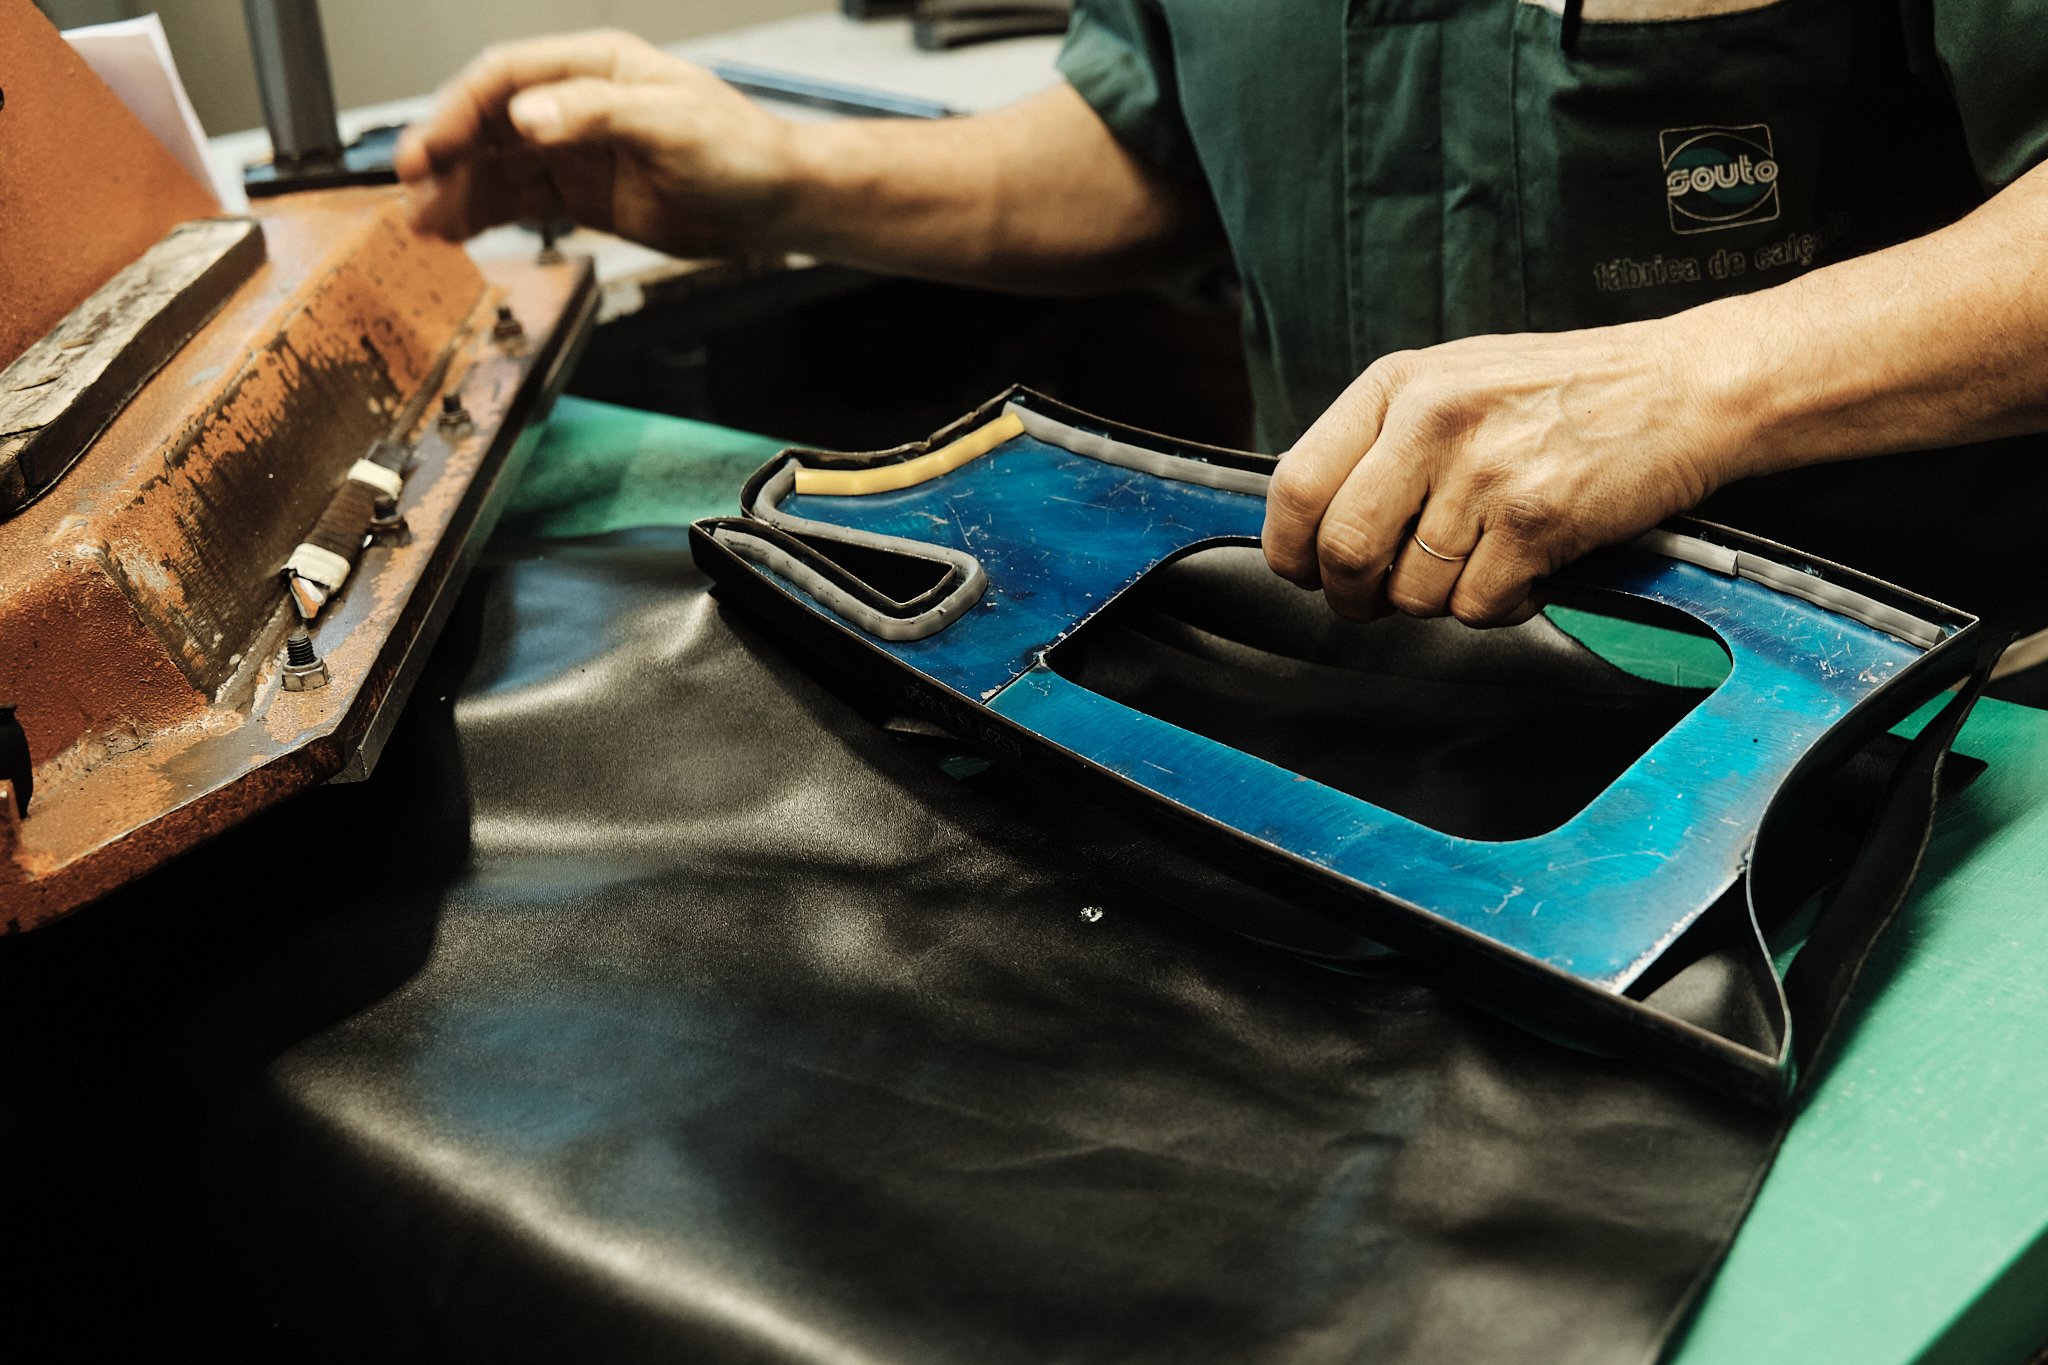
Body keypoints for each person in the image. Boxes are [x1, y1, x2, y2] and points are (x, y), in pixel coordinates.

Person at [396, 2, 2048, 634]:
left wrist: (1699, 377)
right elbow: (1166, 137)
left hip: (1918, 736)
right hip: (1379, 695)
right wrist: (782, 180)